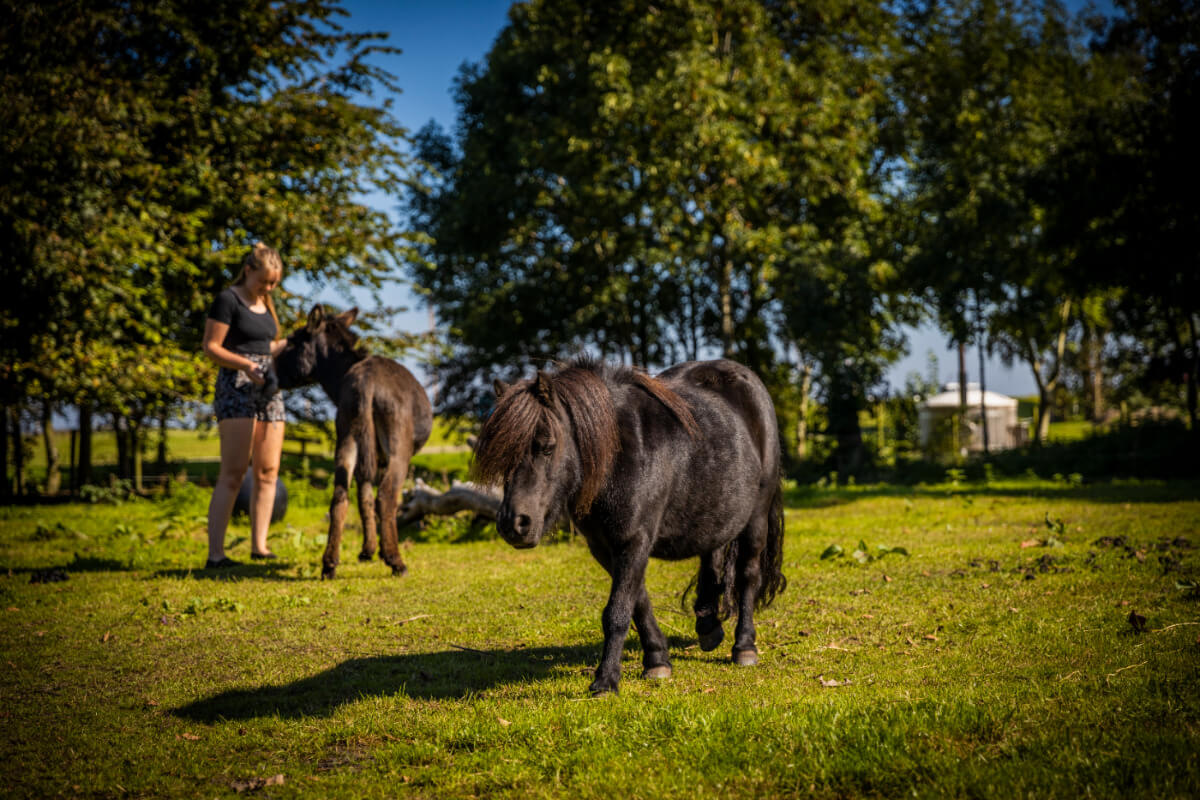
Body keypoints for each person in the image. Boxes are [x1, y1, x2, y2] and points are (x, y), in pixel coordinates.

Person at [201, 242, 287, 568]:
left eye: (273, 284)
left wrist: (291, 344)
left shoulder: (267, 304)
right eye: (263, 281)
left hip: (270, 389)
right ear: (248, 270)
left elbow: (266, 348)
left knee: (268, 472)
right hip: (236, 387)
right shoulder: (228, 300)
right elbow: (211, 347)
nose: (267, 288)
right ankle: (216, 554)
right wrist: (245, 366)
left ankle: (259, 546)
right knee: (234, 473)